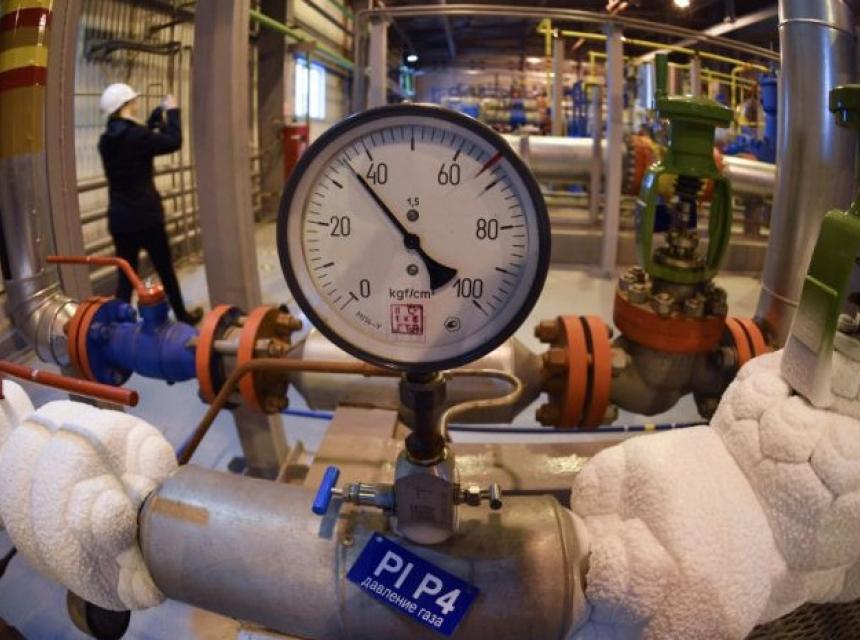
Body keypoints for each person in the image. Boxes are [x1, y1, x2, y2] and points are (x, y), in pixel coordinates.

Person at [98, 83, 203, 325]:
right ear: (125, 105)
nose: (136, 103)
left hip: (120, 219)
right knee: (165, 270)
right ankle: (182, 316)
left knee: (126, 277)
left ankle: (120, 326)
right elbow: (173, 141)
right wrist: (173, 112)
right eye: (133, 101)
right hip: (147, 217)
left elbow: (132, 145)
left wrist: (150, 124)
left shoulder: (105, 141)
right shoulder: (138, 136)